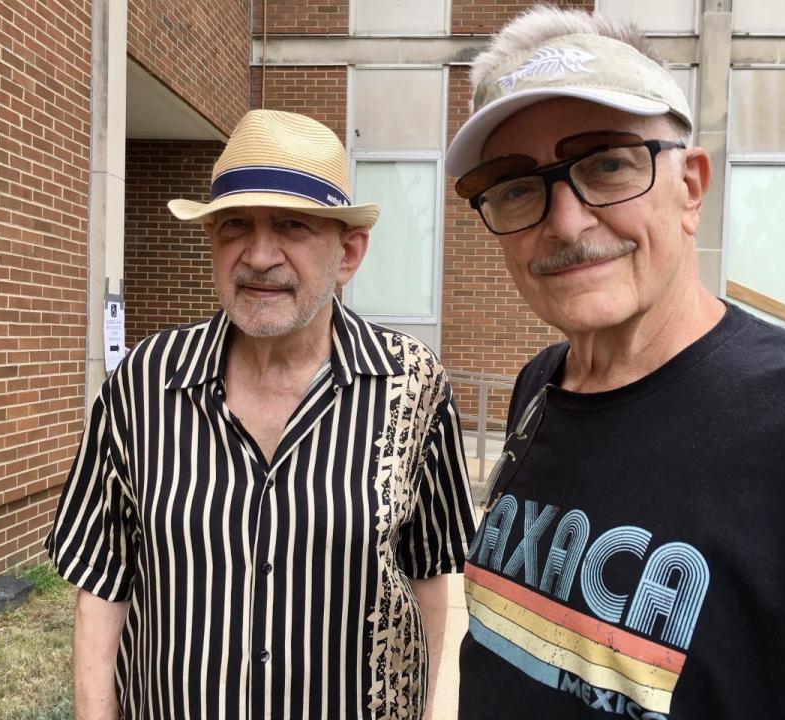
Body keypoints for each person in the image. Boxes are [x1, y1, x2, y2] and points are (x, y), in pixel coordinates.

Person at [445, 7, 785, 719]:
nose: (565, 221)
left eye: (608, 163)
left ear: (690, 187)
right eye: (518, 185)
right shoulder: (540, 387)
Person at [47, 109, 476, 720]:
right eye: (235, 226)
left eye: (293, 226)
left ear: (349, 252)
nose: (258, 254)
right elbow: (102, 587)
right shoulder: (142, 383)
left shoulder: (413, 385)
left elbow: (430, 577)